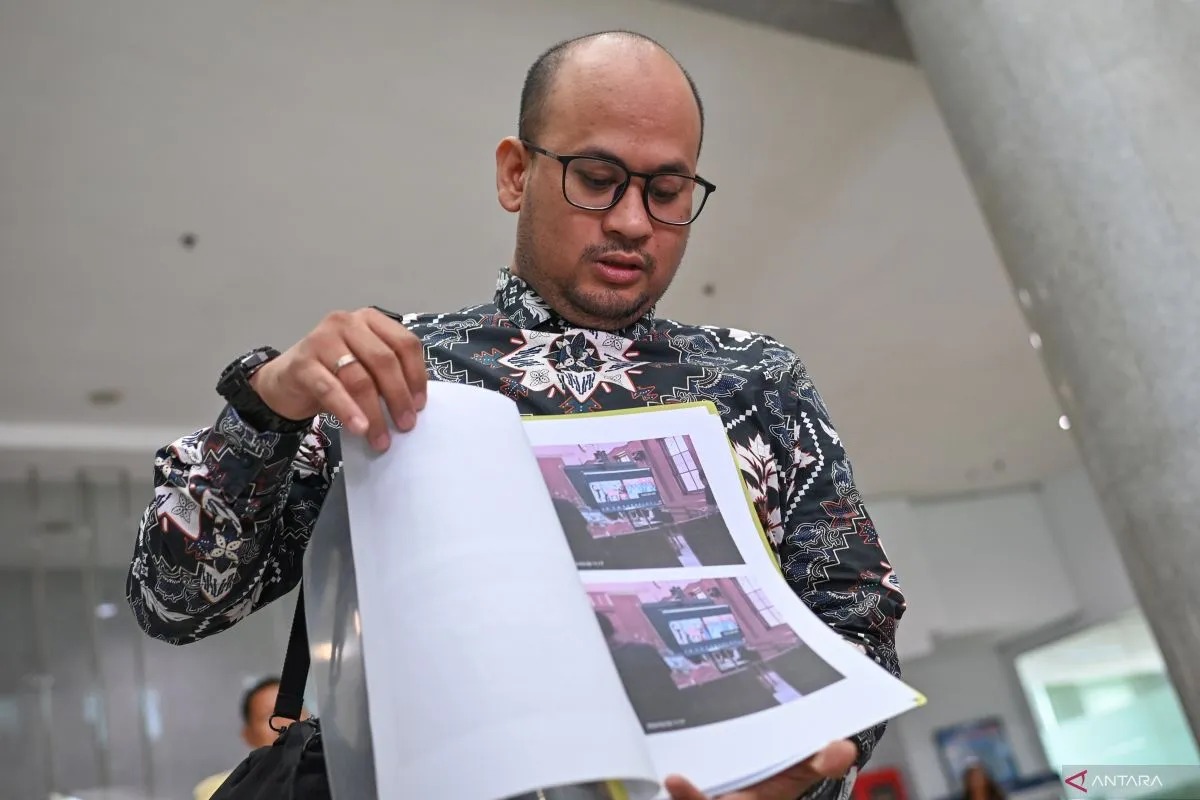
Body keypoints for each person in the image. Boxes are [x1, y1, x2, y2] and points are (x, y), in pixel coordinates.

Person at [125, 29, 905, 800]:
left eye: (667, 193)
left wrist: (791, 771)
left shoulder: (755, 380)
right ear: (514, 173)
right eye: (598, 178)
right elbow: (176, 600)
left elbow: (855, 615)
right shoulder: (401, 370)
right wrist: (269, 406)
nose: (634, 222)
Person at [192, 676, 304, 800]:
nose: (285, 723)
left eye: (295, 711)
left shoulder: (326, 774)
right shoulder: (217, 789)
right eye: (269, 716)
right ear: (248, 735)